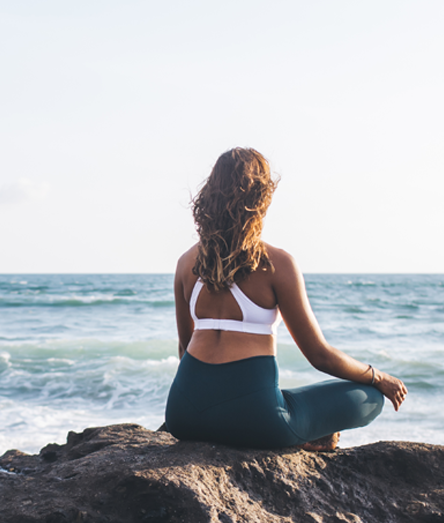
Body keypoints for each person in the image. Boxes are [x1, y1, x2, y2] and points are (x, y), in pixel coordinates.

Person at [164, 147, 407, 451]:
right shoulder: (276, 264)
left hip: (183, 416)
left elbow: (185, 349)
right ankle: (313, 433)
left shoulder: (186, 263)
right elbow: (319, 355)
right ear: (261, 197)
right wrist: (378, 377)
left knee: (280, 397)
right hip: (258, 422)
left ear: (210, 193)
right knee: (369, 398)